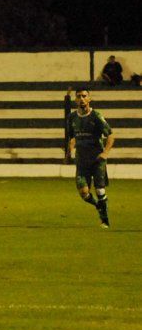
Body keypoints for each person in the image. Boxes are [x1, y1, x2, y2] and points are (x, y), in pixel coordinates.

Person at [67, 88, 114, 228]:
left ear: (89, 98)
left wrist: (105, 153)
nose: (81, 98)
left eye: (84, 96)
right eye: (79, 96)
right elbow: (72, 137)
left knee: (100, 190)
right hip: (81, 160)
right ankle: (99, 206)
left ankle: (104, 220)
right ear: (75, 99)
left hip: (96, 159)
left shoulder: (96, 116)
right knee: (84, 193)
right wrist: (69, 151)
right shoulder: (72, 118)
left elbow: (110, 135)